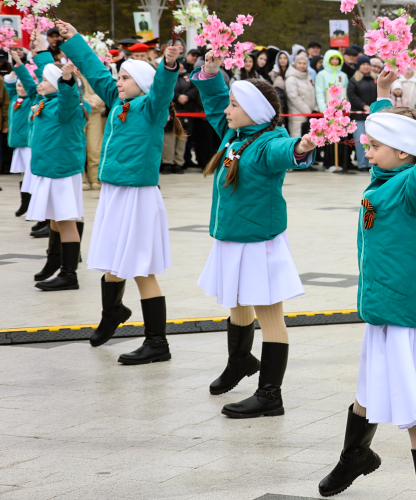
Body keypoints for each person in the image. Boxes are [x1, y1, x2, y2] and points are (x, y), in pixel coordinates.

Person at [317, 68, 416, 500]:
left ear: (406, 153)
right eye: (367, 142)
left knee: (413, 413)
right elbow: (395, 140)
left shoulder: (413, 187)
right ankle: (355, 458)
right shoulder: (384, 177)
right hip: (384, 311)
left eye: (375, 145)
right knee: (366, 395)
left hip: (406, 316)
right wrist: (383, 96)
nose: (367, 150)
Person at [191, 51, 318, 418]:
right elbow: (215, 103)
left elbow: (284, 151)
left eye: (235, 104)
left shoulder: (266, 142)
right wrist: (212, 73)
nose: (227, 110)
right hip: (232, 236)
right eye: (230, 104)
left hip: (259, 241)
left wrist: (301, 147)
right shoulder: (236, 134)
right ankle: (240, 361)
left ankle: (270, 394)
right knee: (236, 301)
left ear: (254, 111)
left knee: (269, 313)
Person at [57, 20, 182, 364]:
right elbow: (97, 73)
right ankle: (112, 312)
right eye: (120, 76)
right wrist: (74, 40)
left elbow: (163, 89)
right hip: (114, 192)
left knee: (141, 268)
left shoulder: (151, 108)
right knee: (112, 259)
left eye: (125, 78)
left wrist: (169, 65)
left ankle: (157, 342)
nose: (118, 82)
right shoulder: (117, 103)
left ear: (142, 85)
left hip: (138, 196)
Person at [21, 36, 90, 292]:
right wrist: (36, 55)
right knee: (54, 219)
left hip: (60, 171)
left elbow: (69, 97)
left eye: (46, 81)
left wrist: (68, 80)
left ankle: (69, 274)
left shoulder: (65, 106)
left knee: (66, 220)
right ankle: (55, 262)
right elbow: (35, 82)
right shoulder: (44, 102)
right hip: (48, 169)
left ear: (58, 85)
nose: (40, 84)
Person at [5, 55, 36, 216]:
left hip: (28, 143)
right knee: (24, 174)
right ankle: (25, 203)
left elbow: (30, 87)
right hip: (19, 144)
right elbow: (9, 83)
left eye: (23, 86)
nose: (20, 88)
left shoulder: (31, 100)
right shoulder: (15, 98)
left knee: (31, 175)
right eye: (19, 86)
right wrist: (13, 71)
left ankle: (31, 205)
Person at [315, 49, 350, 172]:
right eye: (332, 59)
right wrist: (323, 109)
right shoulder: (322, 75)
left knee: (340, 135)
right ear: (327, 60)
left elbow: (345, 92)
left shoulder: (343, 75)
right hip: (328, 112)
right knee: (329, 137)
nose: (335, 61)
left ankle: (340, 162)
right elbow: (319, 92)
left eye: (337, 59)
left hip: (340, 111)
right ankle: (329, 162)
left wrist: (345, 108)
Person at [162, 65, 195, 175]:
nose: (180, 67)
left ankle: (179, 162)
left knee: (182, 138)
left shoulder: (188, 77)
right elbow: (164, 89)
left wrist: (187, 96)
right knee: (169, 138)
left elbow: (195, 89)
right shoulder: (167, 76)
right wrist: (177, 97)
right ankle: (167, 163)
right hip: (171, 109)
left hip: (186, 110)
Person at [347, 55, 377, 171]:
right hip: (359, 116)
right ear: (359, 66)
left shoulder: (374, 79)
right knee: (360, 141)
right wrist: (363, 105)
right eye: (363, 64)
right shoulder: (354, 80)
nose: (366, 67)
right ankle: (362, 164)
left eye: (367, 64)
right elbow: (352, 96)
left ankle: (371, 163)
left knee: (372, 141)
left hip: (373, 116)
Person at [284, 54, 317, 142]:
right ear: (295, 64)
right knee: (297, 142)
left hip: (310, 117)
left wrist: (315, 110)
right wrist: (308, 112)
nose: (302, 65)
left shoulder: (308, 77)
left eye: (304, 63)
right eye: (300, 63)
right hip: (297, 116)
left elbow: (313, 94)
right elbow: (293, 97)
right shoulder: (291, 79)